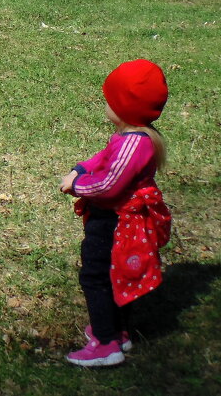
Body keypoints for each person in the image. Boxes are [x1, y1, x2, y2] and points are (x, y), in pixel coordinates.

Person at [59, 59, 172, 368]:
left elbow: (109, 185)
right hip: (118, 220)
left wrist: (77, 184)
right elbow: (104, 159)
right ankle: (118, 332)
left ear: (125, 107)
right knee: (116, 274)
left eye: (109, 100)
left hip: (114, 222)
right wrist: (83, 167)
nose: (106, 105)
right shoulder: (134, 138)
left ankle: (106, 343)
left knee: (96, 277)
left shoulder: (133, 145)